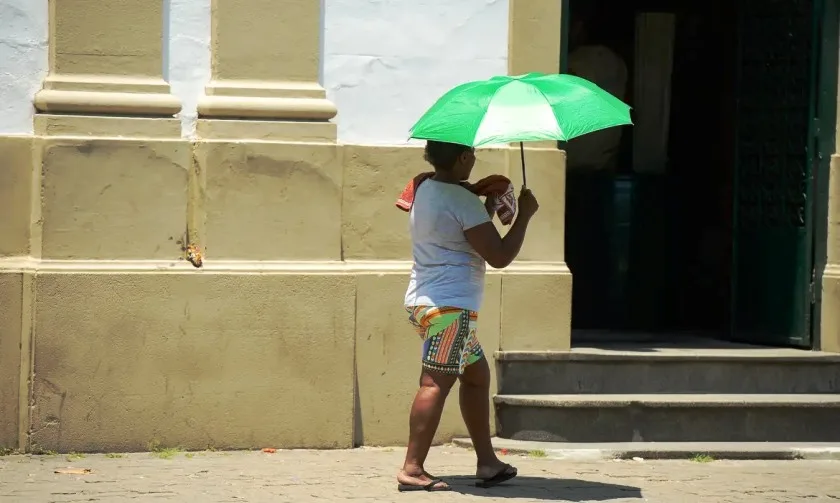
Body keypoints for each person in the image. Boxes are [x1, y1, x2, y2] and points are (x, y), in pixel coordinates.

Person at [396, 140, 540, 492]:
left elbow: (459, 236)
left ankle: (488, 462)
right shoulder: (461, 198)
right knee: (435, 383)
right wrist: (524, 215)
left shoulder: (425, 187)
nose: (475, 159)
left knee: (476, 376)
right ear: (462, 157)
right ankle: (412, 469)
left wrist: (487, 208)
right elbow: (500, 255)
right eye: (472, 153)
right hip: (450, 308)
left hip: (427, 302)